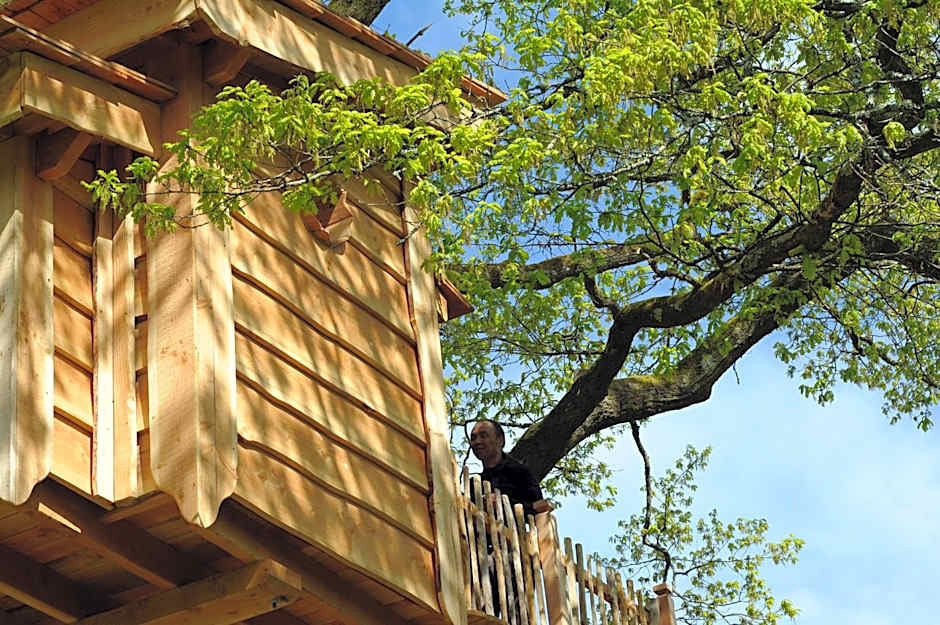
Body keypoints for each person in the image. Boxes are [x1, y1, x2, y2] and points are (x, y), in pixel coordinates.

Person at [470, 419, 551, 516]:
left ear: (500, 440)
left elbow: (540, 508)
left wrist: (503, 504)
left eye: (483, 436)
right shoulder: (474, 483)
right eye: (473, 438)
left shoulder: (521, 473)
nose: (477, 441)